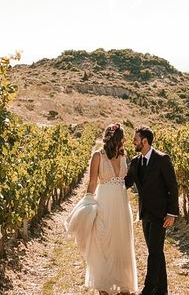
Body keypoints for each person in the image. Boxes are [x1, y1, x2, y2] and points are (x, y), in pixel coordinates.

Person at [65, 123, 138, 295]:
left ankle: (122, 283)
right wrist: (87, 203)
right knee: (103, 241)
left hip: (121, 203)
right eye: (123, 138)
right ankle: (104, 284)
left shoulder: (122, 155)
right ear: (116, 139)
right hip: (104, 202)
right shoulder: (97, 156)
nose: (125, 141)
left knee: (121, 242)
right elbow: (92, 182)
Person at [125, 126, 179, 295]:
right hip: (145, 213)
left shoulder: (162, 159)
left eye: (135, 139)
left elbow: (172, 186)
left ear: (145, 141)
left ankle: (148, 290)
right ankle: (162, 290)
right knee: (155, 251)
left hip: (161, 214)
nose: (133, 142)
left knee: (154, 252)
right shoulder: (135, 161)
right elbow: (126, 183)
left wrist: (172, 213)